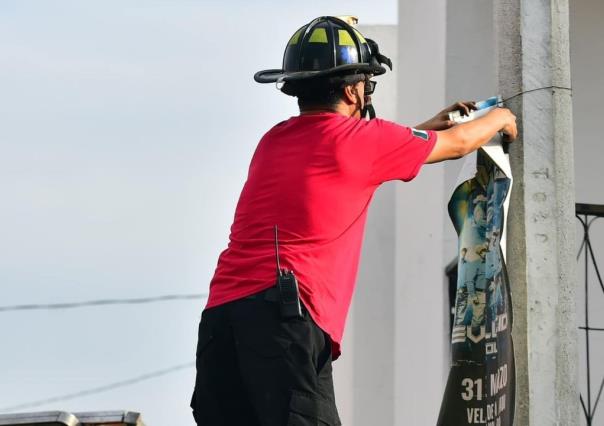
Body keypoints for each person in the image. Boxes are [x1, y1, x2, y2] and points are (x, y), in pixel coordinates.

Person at [190, 16, 517, 426]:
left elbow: (351, 157)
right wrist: (502, 115)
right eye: (366, 82)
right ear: (351, 89)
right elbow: (459, 144)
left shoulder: (273, 141)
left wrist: (427, 126)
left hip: (222, 321)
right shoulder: (363, 143)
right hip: (285, 321)